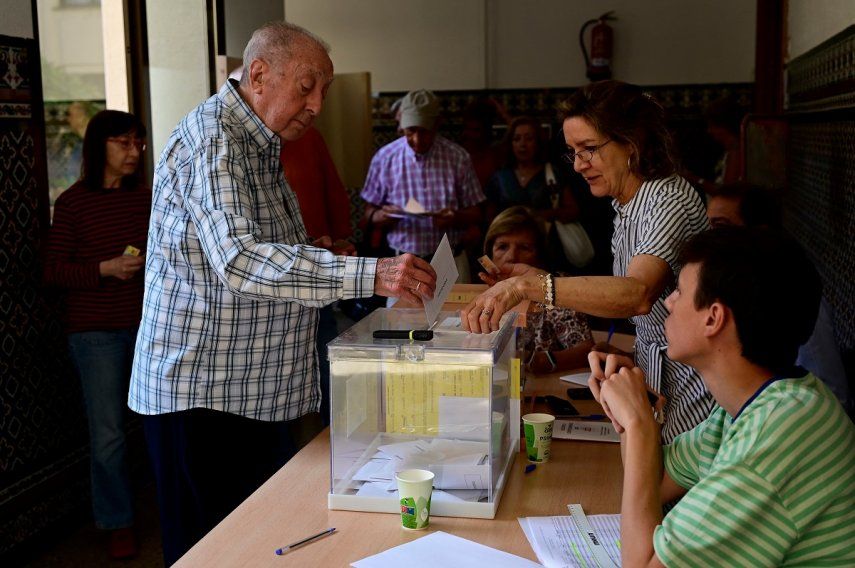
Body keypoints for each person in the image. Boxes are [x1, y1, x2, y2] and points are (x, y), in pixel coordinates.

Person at [127, 22, 437, 565]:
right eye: (307, 87)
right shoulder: (215, 138)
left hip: (250, 393)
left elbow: (255, 248)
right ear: (261, 74)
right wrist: (371, 273)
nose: (317, 105)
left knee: (255, 546)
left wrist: (317, 250)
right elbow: (240, 260)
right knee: (212, 552)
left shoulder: (260, 140)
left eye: (325, 91)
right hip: (204, 394)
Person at [463, 80, 714, 443]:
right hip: (661, 385)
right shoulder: (626, 204)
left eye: (590, 149)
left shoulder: (667, 198)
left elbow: (637, 293)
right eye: (573, 152)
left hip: (695, 390)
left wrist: (530, 286)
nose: (579, 165)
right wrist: (538, 278)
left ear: (632, 142)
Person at [588, 227, 855, 566]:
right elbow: (650, 486)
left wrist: (640, 424)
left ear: (713, 318)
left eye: (680, 292)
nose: (668, 301)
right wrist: (630, 407)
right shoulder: (750, 407)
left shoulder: (772, 435)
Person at [43, 110, 149, 559]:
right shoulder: (72, 203)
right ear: (98, 147)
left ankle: (160, 508)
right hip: (94, 334)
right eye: (122, 143)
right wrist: (104, 269)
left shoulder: (145, 199)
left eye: (138, 143)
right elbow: (53, 271)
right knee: (108, 434)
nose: (133, 152)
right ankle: (116, 522)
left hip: (146, 327)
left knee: (156, 425)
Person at [704, 182, 852, 414]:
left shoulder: (788, 299)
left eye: (721, 228)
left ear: (760, 233)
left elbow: (834, 399)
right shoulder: (734, 293)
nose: (708, 240)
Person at [280, 126, 355, 429]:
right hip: (276, 282)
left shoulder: (307, 136)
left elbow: (333, 190)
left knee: (325, 359)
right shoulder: (232, 141)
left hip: (319, 269)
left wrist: (341, 238)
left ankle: (329, 435)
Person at [360, 89, 485, 271]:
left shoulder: (458, 157)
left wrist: (455, 217)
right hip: (401, 263)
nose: (417, 140)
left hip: (450, 261)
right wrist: (381, 216)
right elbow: (368, 213)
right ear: (401, 125)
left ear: (437, 124)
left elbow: (477, 212)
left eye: (425, 131)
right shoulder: (384, 157)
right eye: (411, 131)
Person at [483, 206, 594, 373]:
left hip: (548, 389)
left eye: (524, 248)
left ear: (541, 254)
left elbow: (586, 351)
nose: (511, 256)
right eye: (502, 247)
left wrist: (538, 361)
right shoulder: (480, 292)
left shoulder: (556, 287)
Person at [485, 116, 579, 224]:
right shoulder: (499, 178)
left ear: (538, 142)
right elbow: (489, 218)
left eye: (529, 138)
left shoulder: (553, 173)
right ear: (510, 144)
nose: (522, 144)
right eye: (516, 139)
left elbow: (573, 210)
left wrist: (543, 215)